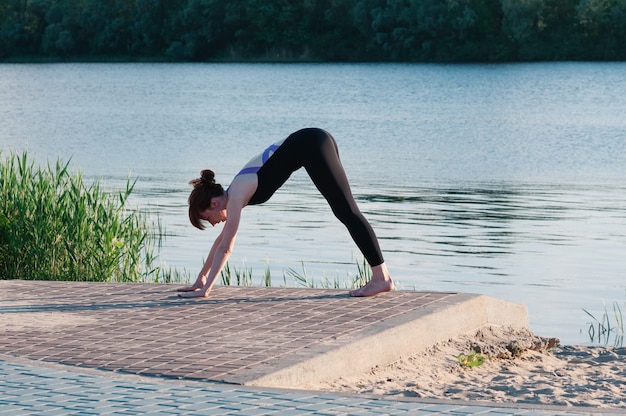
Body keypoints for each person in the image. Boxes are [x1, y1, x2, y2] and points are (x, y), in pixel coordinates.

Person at [177, 128, 393, 298]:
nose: (212, 224)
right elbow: (221, 241)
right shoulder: (235, 192)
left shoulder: (236, 194)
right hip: (315, 139)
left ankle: (380, 278)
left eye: (206, 218)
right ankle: (380, 277)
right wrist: (201, 278)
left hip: (312, 143)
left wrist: (206, 291)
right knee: (345, 210)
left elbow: (226, 247)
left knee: (346, 211)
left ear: (214, 203)